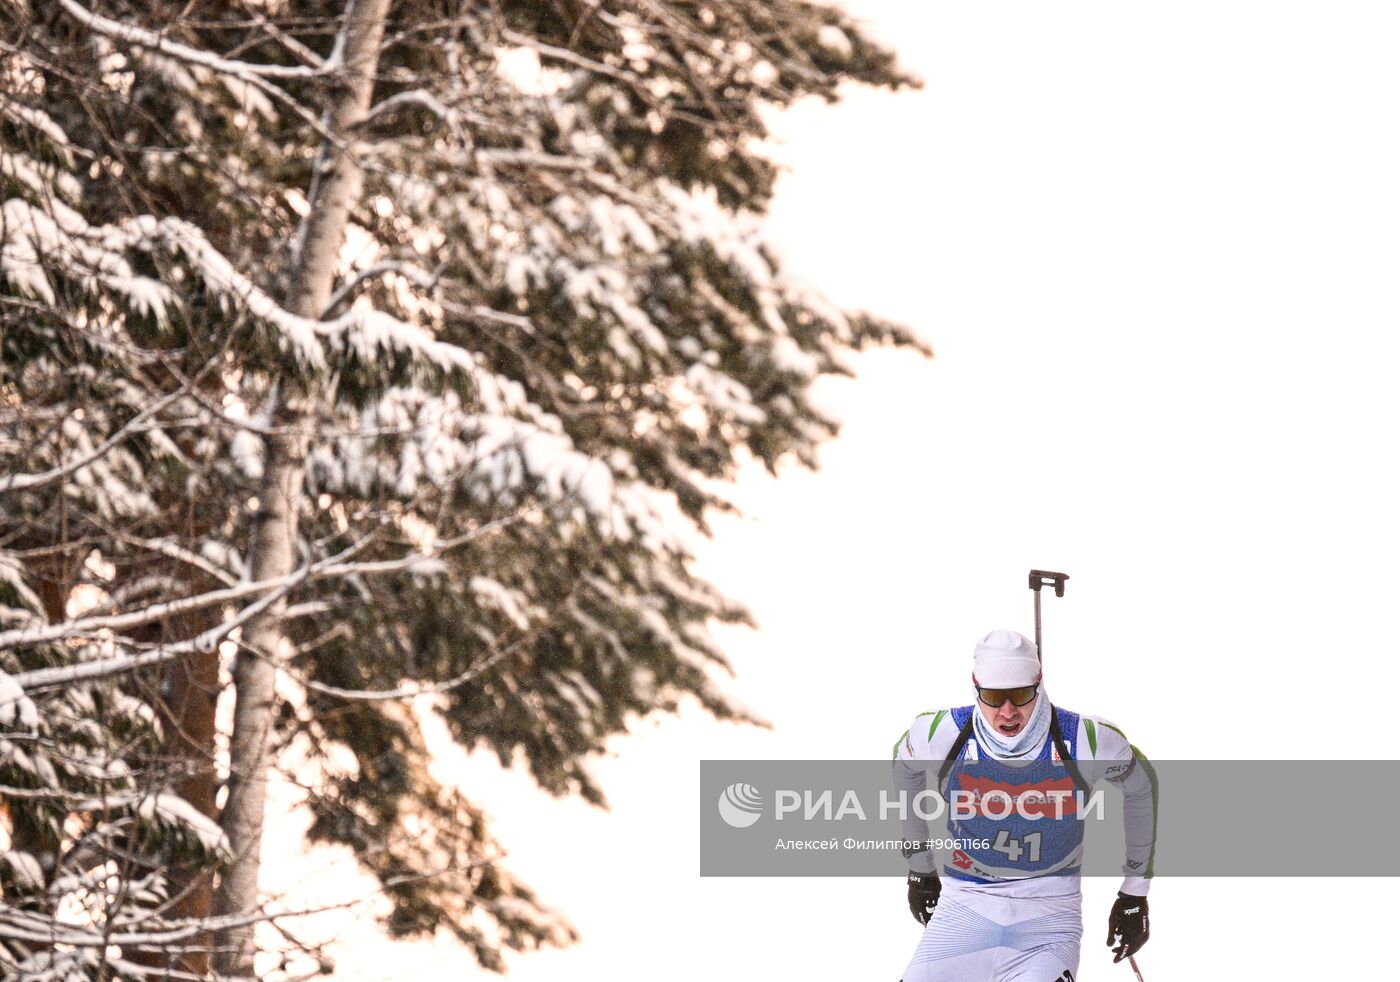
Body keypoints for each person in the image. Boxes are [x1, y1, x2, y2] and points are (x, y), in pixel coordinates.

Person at [891, 629, 1157, 982]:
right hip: (964, 907)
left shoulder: (1086, 740)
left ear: (1038, 682)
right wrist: (919, 867)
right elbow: (903, 765)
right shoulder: (942, 733)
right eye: (992, 696)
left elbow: (1142, 787)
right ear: (975, 687)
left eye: (1020, 694)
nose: (1008, 712)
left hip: (1048, 915)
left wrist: (1134, 894)